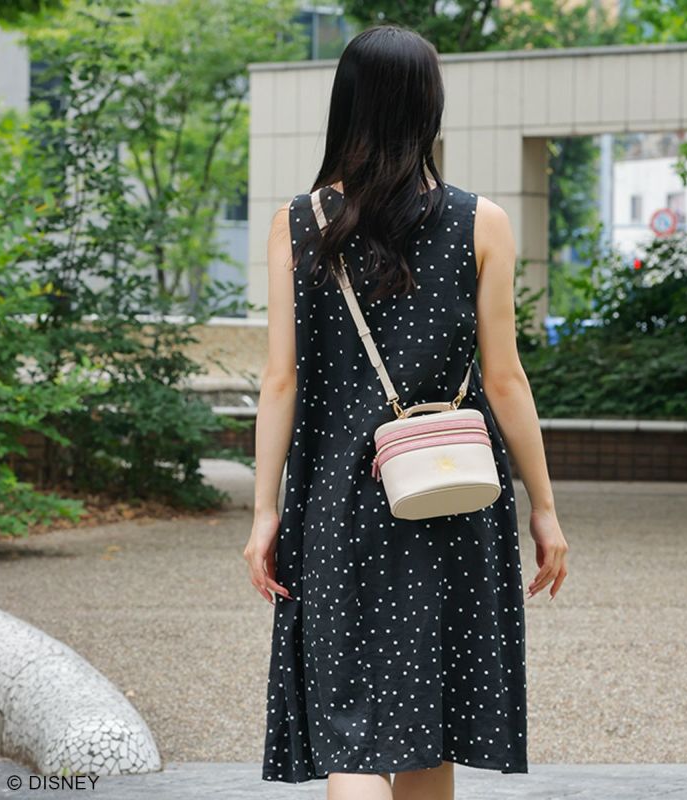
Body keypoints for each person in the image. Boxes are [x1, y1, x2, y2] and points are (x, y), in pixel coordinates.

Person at [243, 23, 569, 800]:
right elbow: (506, 380)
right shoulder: (481, 223)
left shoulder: (298, 225)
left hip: (337, 504)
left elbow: (280, 380)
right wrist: (545, 507)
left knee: (353, 733)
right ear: (429, 108)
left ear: (346, 106)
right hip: (451, 493)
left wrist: (264, 512)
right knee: (430, 730)